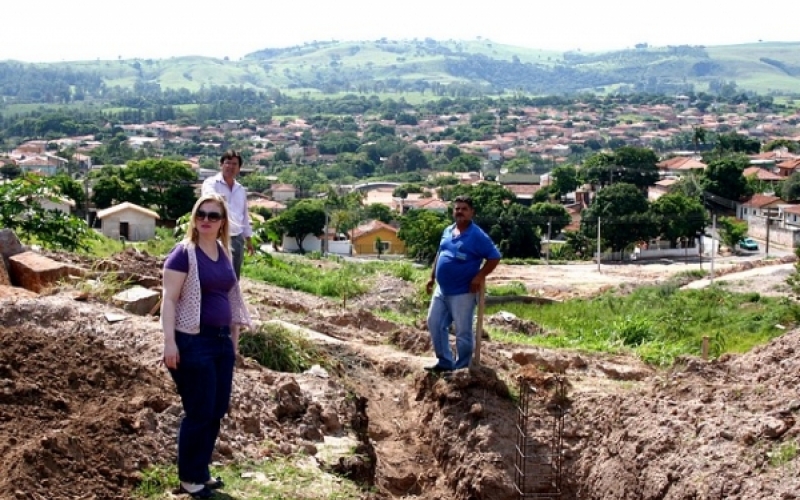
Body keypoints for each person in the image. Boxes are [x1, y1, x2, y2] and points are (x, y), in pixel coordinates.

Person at [161, 193, 252, 498]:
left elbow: (230, 297)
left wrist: (233, 343)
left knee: (215, 410)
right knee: (199, 411)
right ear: (194, 218)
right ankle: (189, 477)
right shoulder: (183, 254)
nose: (206, 220)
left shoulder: (224, 253)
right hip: (193, 340)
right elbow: (169, 301)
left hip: (221, 342)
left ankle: (201, 471)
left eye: (213, 216)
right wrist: (170, 343)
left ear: (223, 222)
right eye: (201, 214)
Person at [425, 195, 501, 372]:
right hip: (442, 290)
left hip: (463, 292)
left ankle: (462, 368)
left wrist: (479, 277)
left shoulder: (477, 235)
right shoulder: (448, 230)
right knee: (434, 323)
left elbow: (494, 257)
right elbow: (440, 253)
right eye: (457, 208)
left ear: (472, 212)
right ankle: (444, 362)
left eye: (464, 209)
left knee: (463, 332)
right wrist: (432, 277)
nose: (459, 212)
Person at [201, 150, 255, 279]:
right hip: (216, 236)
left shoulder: (240, 190)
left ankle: (230, 299)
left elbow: (244, 215)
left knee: (233, 276)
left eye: (234, 164)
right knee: (214, 274)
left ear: (239, 168)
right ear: (221, 164)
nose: (230, 166)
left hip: (236, 238)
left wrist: (248, 240)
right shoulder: (211, 183)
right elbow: (210, 200)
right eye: (227, 163)